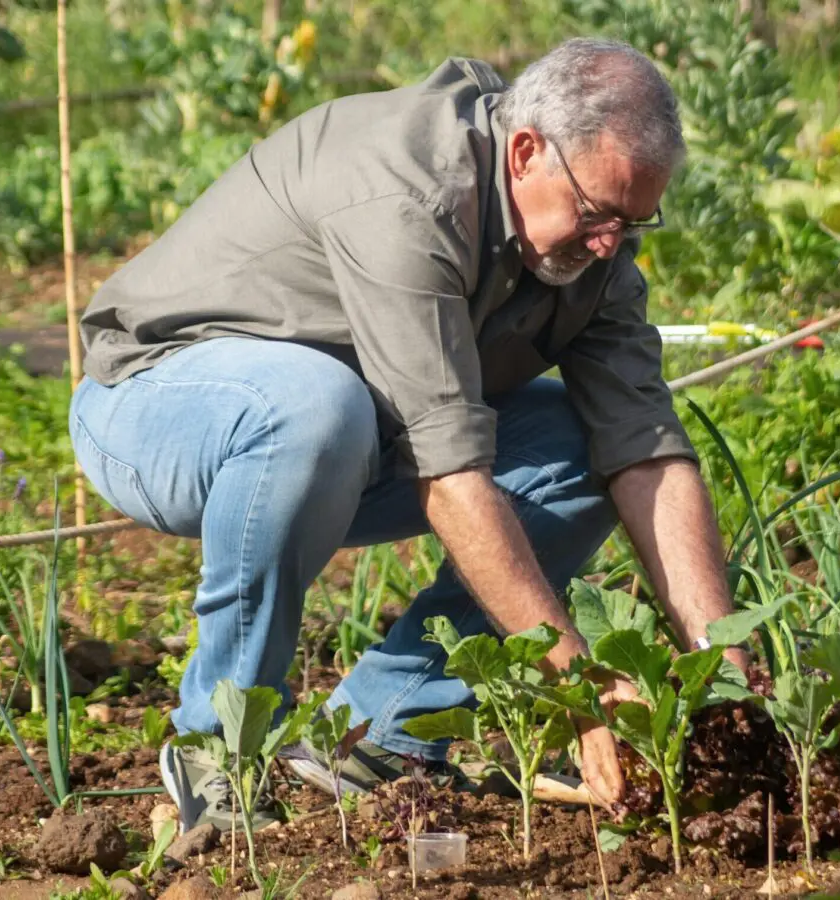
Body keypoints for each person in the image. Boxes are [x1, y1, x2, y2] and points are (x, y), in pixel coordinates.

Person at [69, 36, 747, 832]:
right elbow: (451, 476)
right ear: (525, 151)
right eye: (597, 214)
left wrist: (723, 669)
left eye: (633, 222)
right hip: (157, 406)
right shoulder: (408, 192)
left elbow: (646, 453)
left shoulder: (591, 255)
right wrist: (581, 688)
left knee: (578, 446)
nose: (608, 243)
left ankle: (377, 736)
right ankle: (219, 742)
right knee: (317, 406)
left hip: (345, 437)